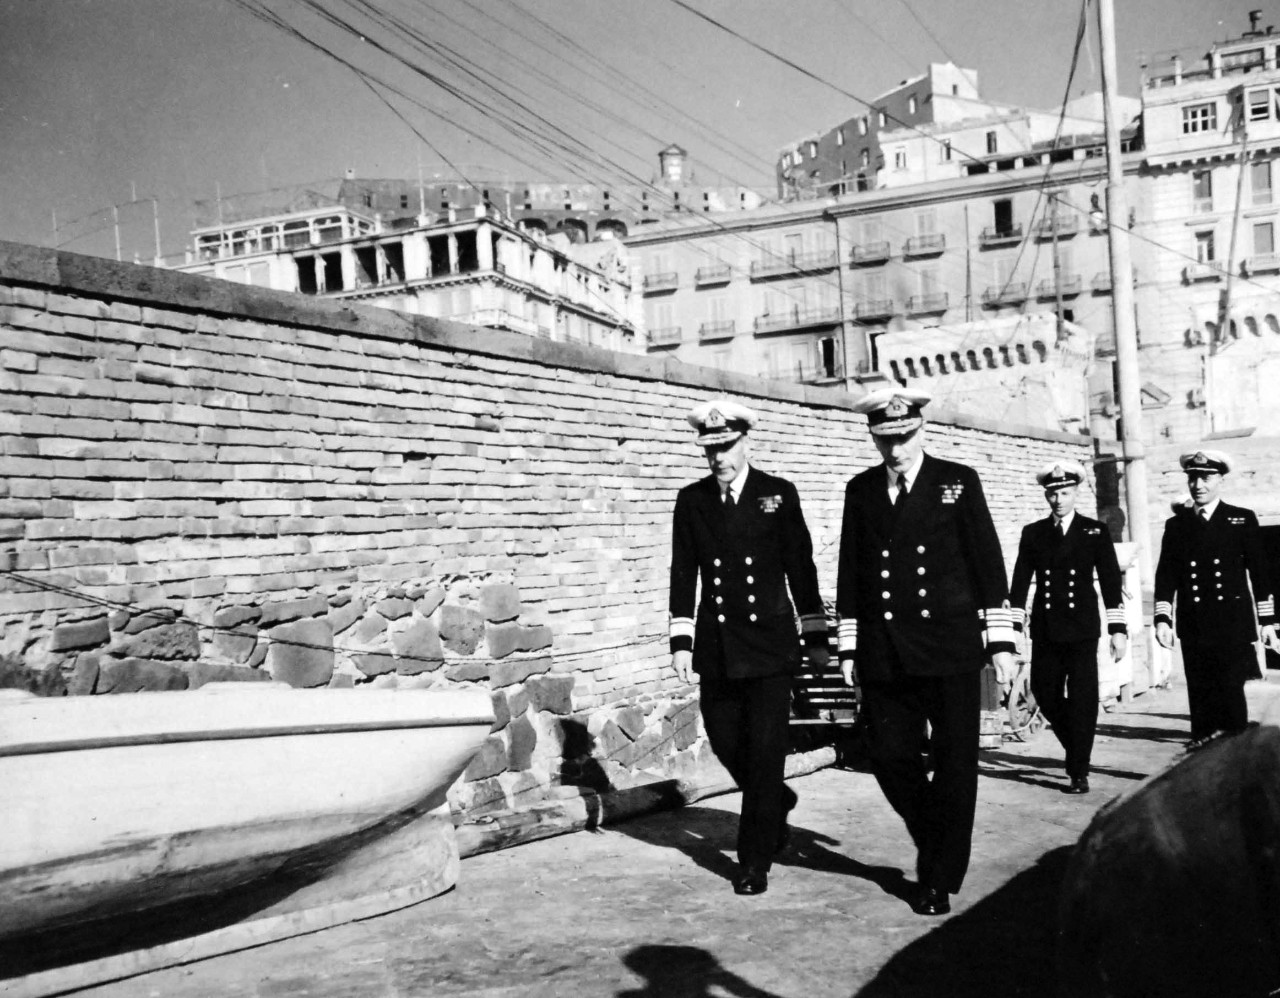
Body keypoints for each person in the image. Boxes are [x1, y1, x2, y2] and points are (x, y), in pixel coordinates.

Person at [835, 386, 1015, 916]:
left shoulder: (957, 482)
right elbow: (852, 567)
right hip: (886, 651)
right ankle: (935, 834)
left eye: (904, 437)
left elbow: (987, 561)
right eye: (884, 440)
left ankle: (936, 876)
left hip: (951, 647)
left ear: (922, 429)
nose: (895, 450)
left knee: (956, 763)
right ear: (873, 437)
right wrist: (849, 645)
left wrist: (1000, 641)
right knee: (890, 756)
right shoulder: (861, 489)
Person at [669, 398, 829, 896]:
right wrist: (680, 641)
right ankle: (776, 800)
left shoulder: (777, 494)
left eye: (726, 447)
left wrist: (817, 635)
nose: (718, 458)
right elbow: (683, 572)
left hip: (770, 644)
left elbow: (801, 567)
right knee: (724, 738)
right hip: (717, 643)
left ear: (746, 442)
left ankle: (753, 860)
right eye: (710, 449)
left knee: (763, 753)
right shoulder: (692, 500)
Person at [1009, 460, 1127, 795]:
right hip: (1046, 629)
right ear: (1046, 495)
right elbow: (1019, 581)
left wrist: (1118, 630)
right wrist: (1013, 627)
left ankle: (1078, 770)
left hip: (1083, 630)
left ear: (1075, 492)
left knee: (1083, 699)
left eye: (1064, 492)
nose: (1058, 499)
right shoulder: (1034, 533)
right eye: (1053, 493)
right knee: (1045, 694)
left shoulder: (1094, 531)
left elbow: (1109, 583)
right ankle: (1077, 748)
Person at [1154, 450, 1280, 745]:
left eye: (1206, 477)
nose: (1198, 485)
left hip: (1232, 625)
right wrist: (1162, 617)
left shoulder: (1241, 519)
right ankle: (1202, 762)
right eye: (1193, 478)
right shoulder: (1177, 525)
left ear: (1221, 480)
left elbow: (1260, 575)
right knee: (1200, 697)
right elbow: (1166, 575)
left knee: (1231, 696)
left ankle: (1236, 761)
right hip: (1194, 623)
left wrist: (1268, 621)